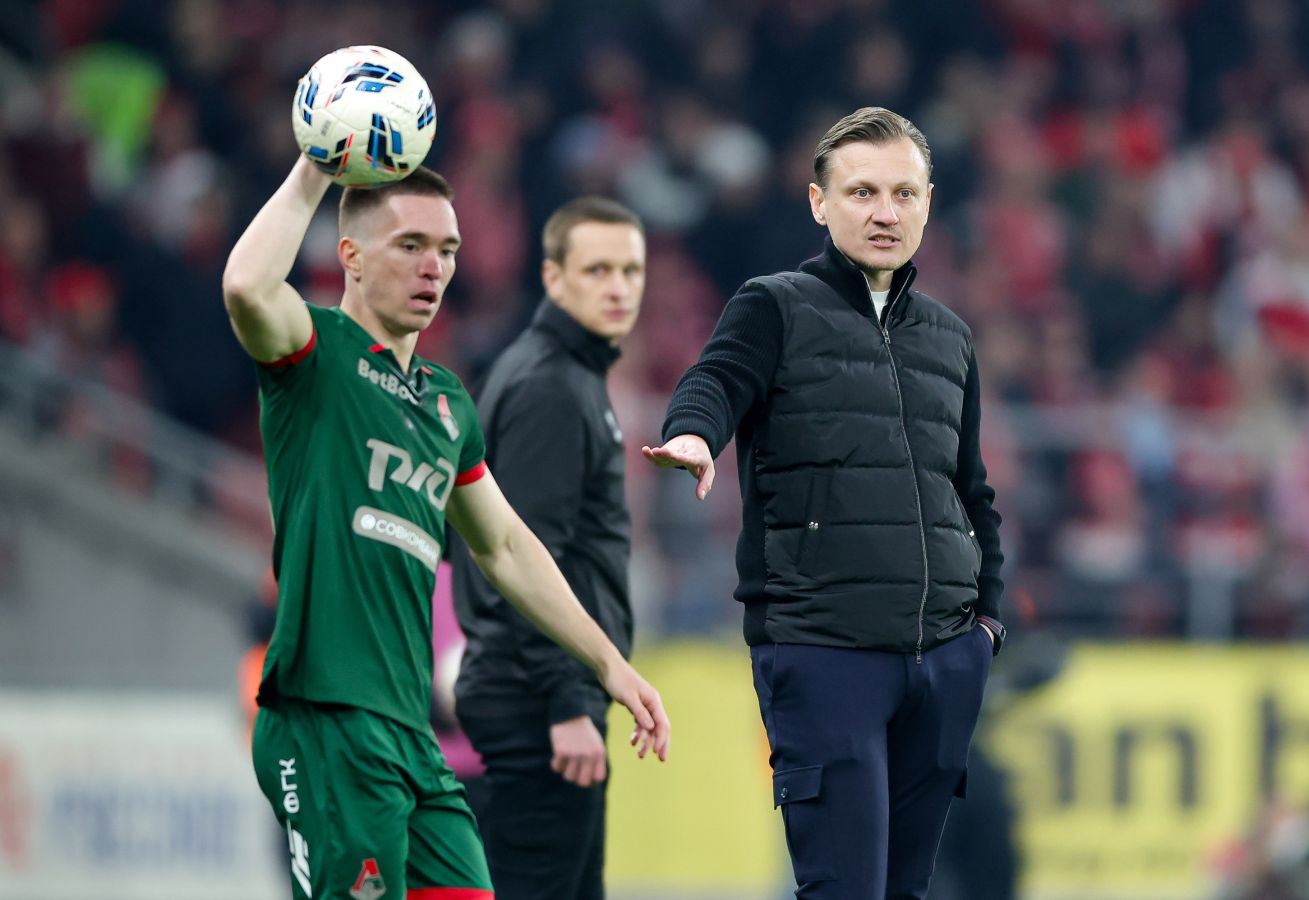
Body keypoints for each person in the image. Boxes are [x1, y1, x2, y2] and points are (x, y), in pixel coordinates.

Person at [222, 156, 670, 900]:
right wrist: (315, 168)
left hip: (413, 738)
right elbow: (245, 287)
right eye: (411, 245)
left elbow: (506, 545)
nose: (434, 267)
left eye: (447, 249)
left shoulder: (446, 404)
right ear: (351, 257)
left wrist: (606, 664)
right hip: (329, 718)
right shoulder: (316, 354)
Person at [643, 106, 1005, 900]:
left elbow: (970, 489)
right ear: (819, 202)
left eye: (903, 194)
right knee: (843, 889)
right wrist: (694, 434)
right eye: (863, 192)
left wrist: (984, 627)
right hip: (823, 649)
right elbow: (714, 381)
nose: (885, 212)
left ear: (928, 203)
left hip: (944, 659)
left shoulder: (951, 338)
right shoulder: (773, 305)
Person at [451, 197, 646, 899]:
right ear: (553, 278)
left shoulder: (561, 373)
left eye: (630, 270)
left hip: (534, 691)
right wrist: (568, 701)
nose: (618, 287)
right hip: (536, 700)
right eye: (597, 270)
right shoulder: (552, 387)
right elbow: (526, 558)